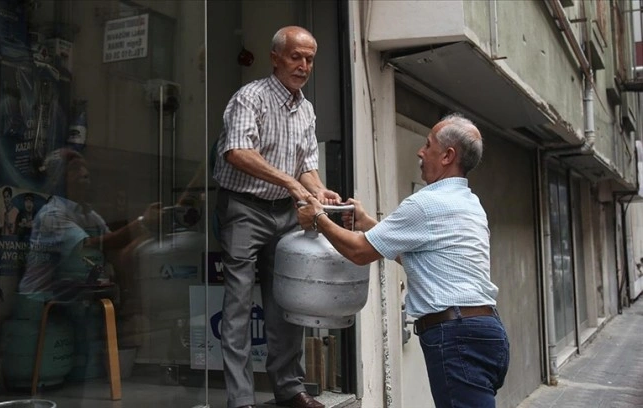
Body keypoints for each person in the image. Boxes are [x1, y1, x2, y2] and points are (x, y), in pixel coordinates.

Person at [297, 113, 510, 408]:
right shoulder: (469, 202)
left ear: (448, 156)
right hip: (485, 331)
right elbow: (419, 255)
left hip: (457, 336)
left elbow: (359, 252)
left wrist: (318, 217)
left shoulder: (425, 203)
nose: (421, 152)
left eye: (428, 145)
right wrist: (368, 224)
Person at [213, 25, 339, 408]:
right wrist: (290, 183)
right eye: (296, 56)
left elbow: (306, 166)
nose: (303, 65)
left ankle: (290, 388)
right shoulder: (250, 97)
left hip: (284, 213)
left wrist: (318, 190)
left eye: (310, 59)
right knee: (236, 305)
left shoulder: (307, 109)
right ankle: (241, 400)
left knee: (287, 300)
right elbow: (237, 151)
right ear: (276, 58)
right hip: (243, 208)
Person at [19, 148, 162, 300]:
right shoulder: (51, 215)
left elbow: (115, 252)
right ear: (58, 179)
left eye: (84, 167)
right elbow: (89, 245)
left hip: (72, 302)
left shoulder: (89, 216)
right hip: (41, 306)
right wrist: (142, 223)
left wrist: (151, 235)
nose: (84, 173)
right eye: (75, 168)